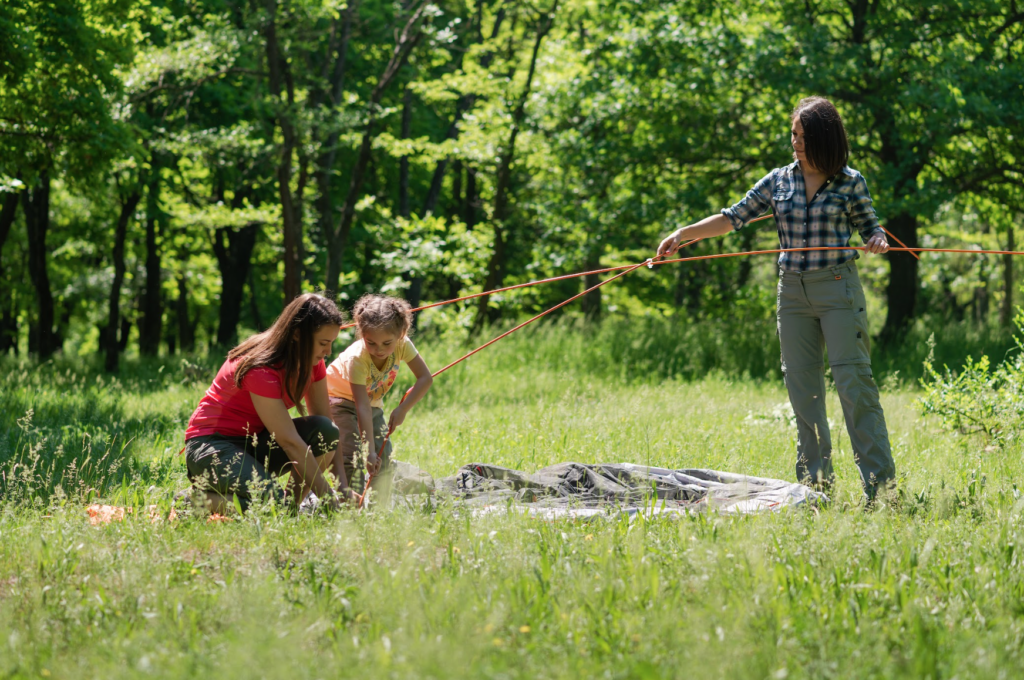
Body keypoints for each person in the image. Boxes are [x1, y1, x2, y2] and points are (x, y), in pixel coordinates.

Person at [657, 96, 896, 503]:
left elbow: (872, 229)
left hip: (838, 288)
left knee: (854, 386)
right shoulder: (779, 180)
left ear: (823, 137)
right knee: (804, 392)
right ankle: (816, 489)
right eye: (793, 135)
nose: (795, 143)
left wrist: (877, 240)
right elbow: (733, 216)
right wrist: (684, 234)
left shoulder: (850, 181)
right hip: (792, 294)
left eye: (803, 136)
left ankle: (881, 491)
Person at [182, 293, 345, 513]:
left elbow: (327, 431)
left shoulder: (311, 360)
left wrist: (343, 487)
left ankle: (290, 508)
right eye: (323, 343)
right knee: (270, 507)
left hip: (254, 442)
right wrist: (329, 498)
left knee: (326, 431)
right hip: (211, 446)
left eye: (331, 343)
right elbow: (289, 441)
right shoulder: (260, 368)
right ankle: (196, 501)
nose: (328, 352)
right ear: (297, 335)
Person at [326, 294, 433, 501]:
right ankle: (350, 506)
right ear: (361, 334)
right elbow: (361, 407)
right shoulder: (357, 359)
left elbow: (425, 378)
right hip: (339, 401)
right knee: (353, 454)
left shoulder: (403, 344)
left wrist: (402, 409)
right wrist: (369, 452)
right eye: (371, 342)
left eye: (386, 343)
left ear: (401, 334)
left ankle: (378, 511)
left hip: (371, 403)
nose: (379, 350)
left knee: (383, 457)